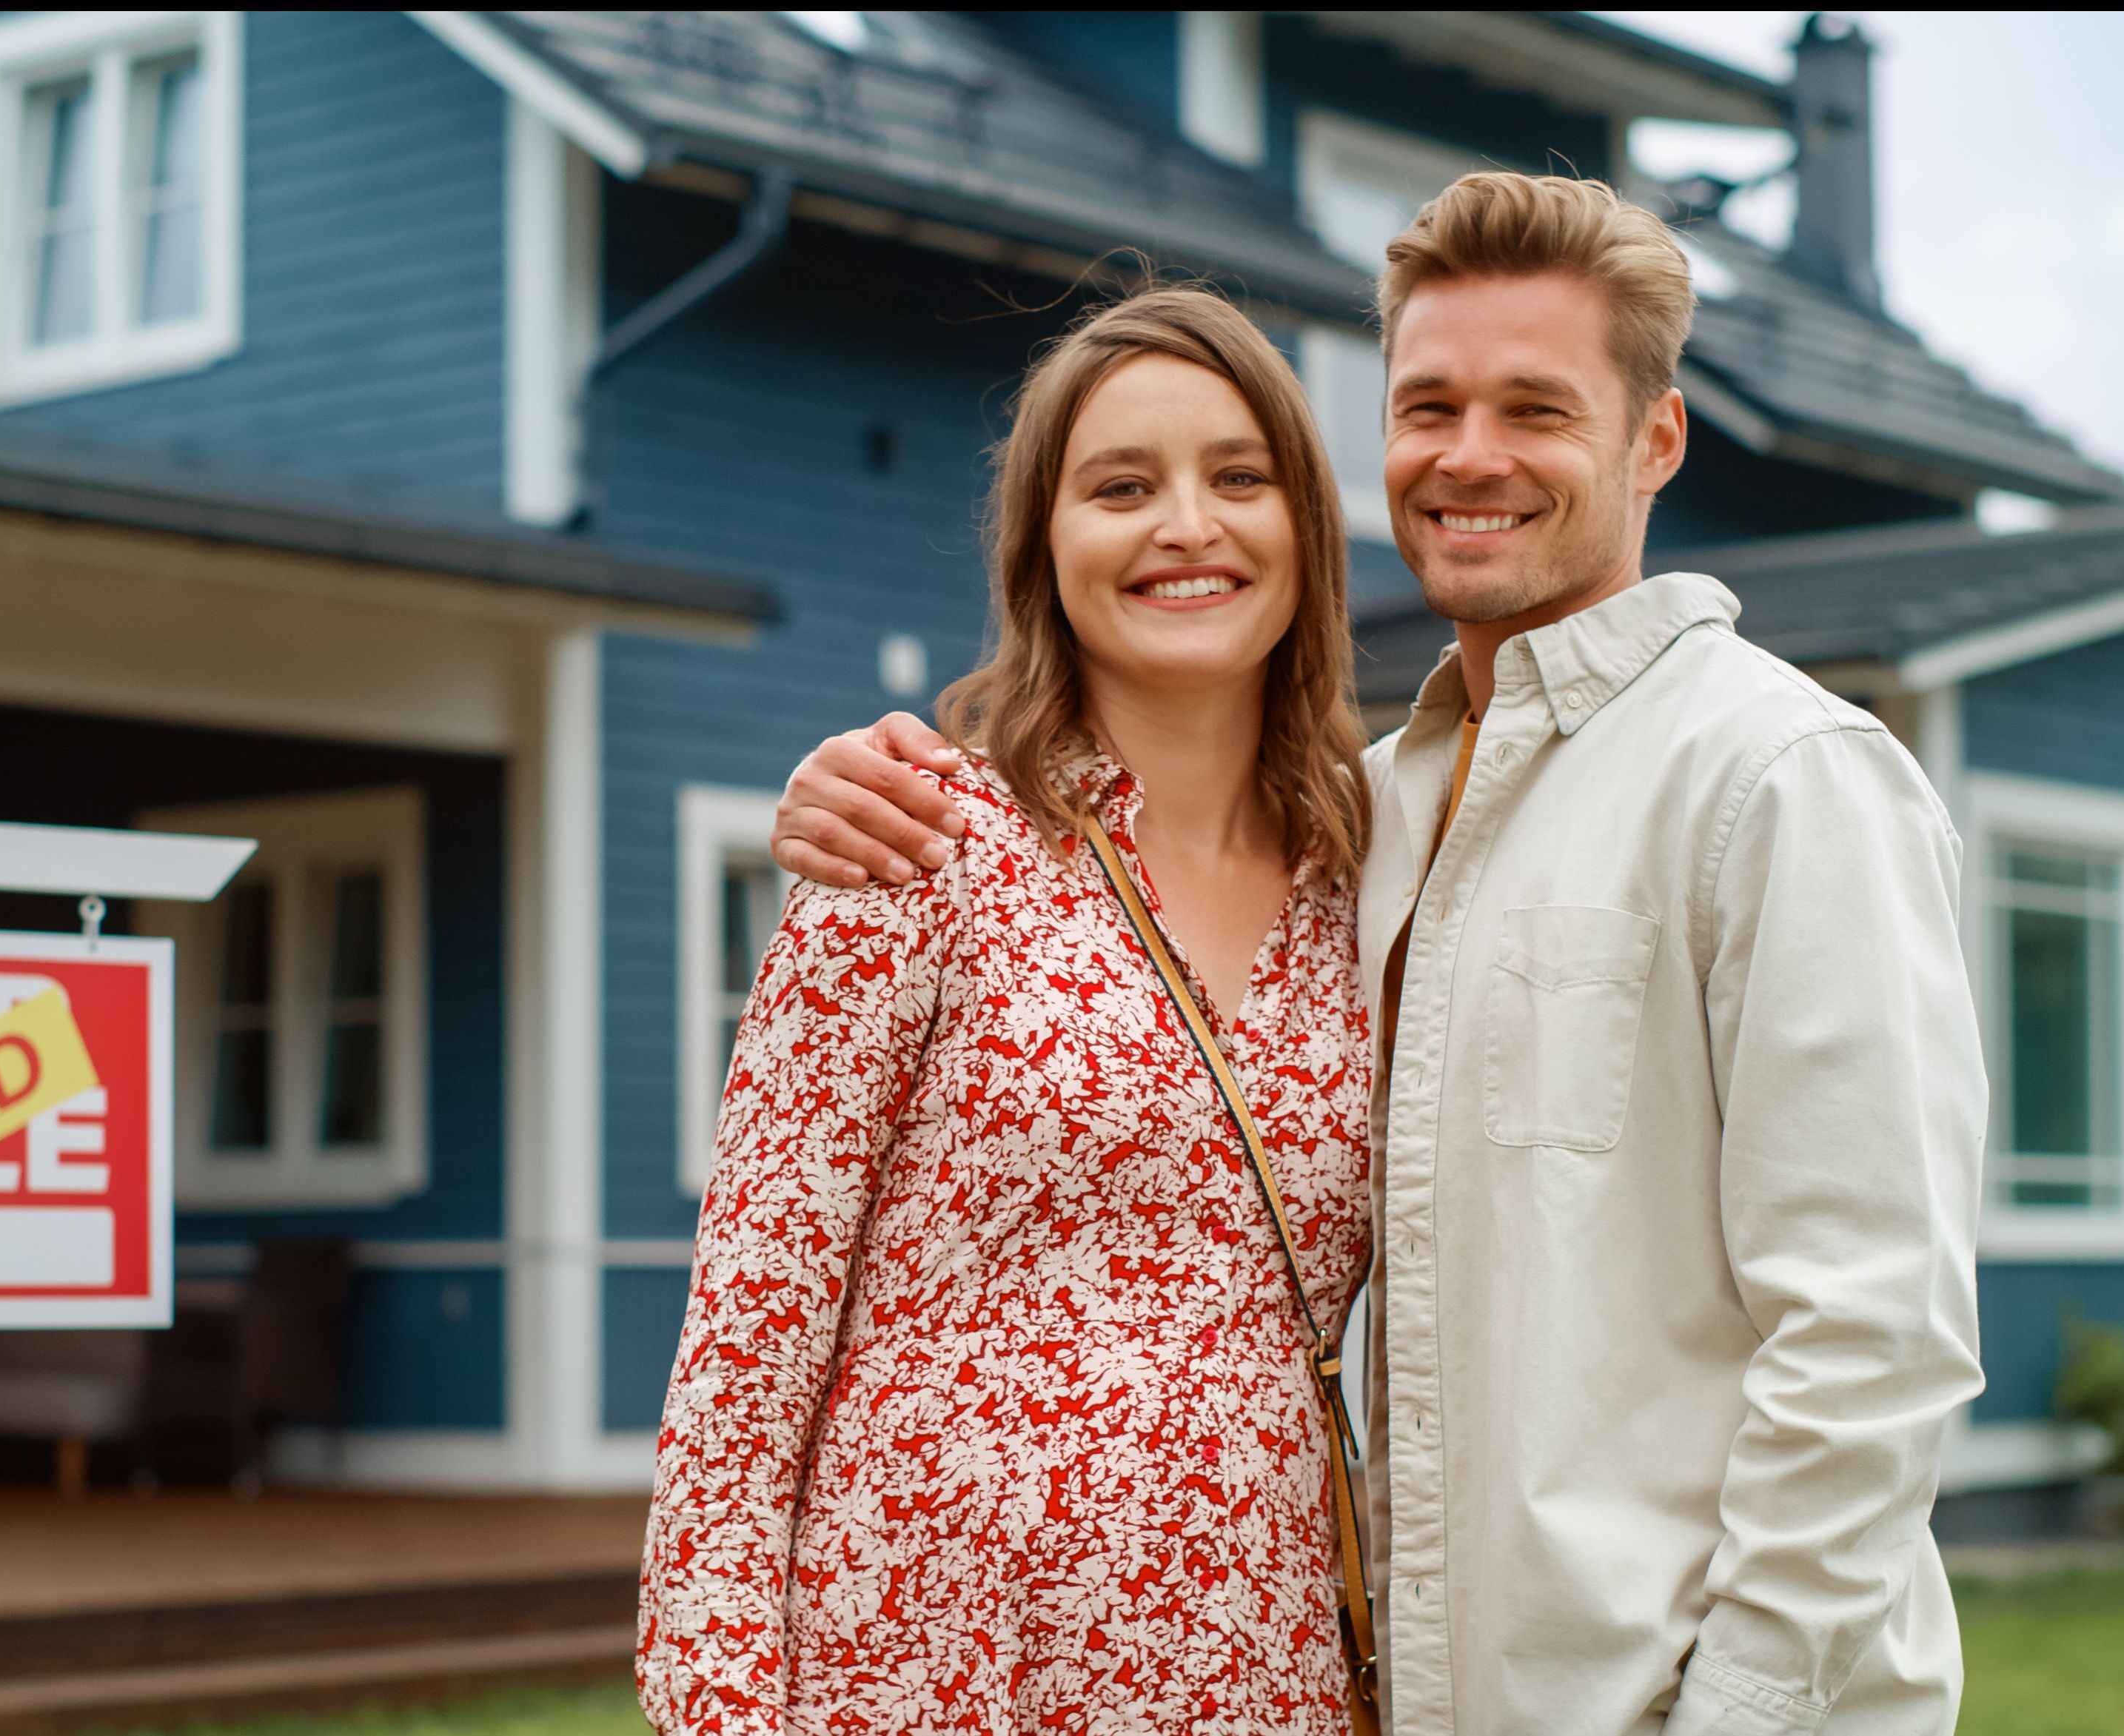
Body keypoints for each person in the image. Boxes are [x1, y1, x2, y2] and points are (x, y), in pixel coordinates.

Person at [770, 173, 1989, 1736]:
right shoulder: (1372, 817)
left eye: (1537, 409)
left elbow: (1872, 1340)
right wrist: (855, 786)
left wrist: (1739, 1715)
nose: (1470, 458)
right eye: (1429, 407)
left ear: (1656, 440)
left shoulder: (1776, 776)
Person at [639, 286, 1381, 1735]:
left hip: (1263, 1680)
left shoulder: (1378, 881)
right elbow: (741, 1362)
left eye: (1239, 477)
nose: (1186, 525)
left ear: (1308, 529)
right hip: (929, 1680)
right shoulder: (910, 846)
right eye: (1121, 487)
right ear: (1044, 545)